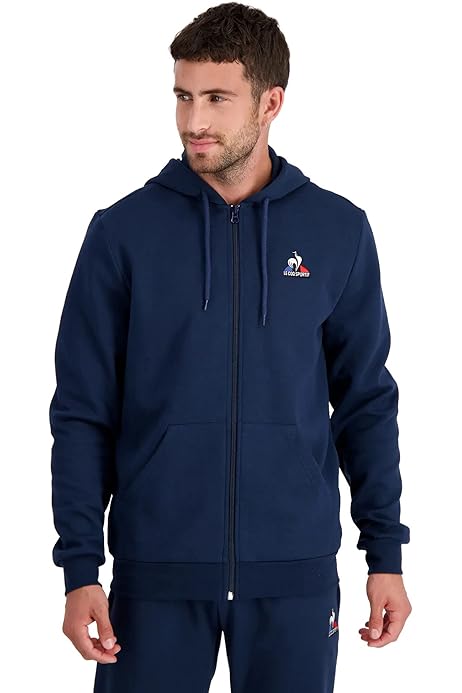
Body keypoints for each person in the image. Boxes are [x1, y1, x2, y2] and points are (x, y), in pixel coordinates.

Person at [49, 3, 412, 691]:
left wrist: (385, 552)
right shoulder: (122, 233)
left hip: (295, 574)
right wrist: (79, 567)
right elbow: (82, 410)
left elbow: (365, 400)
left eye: (217, 98)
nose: (194, 121)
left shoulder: (338, 230)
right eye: (183, 96)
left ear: (271, 103)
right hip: (155, 574)